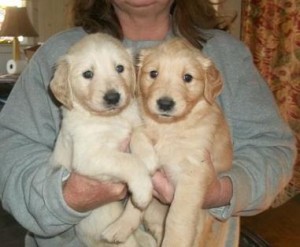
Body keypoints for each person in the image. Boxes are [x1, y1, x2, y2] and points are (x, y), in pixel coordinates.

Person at [0, 0, 296, 246]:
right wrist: (67, 197)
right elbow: (8, 149)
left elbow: (273, 149)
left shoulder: (226, 55)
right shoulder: (59, 54)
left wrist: (215, 192)